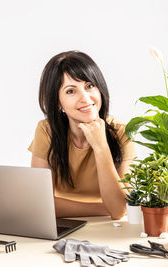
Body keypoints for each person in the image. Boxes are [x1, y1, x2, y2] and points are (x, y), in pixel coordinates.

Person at [28, 51, 136, 219]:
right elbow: (39, 204)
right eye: (71, 91)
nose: (85, 98)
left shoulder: (121, 132)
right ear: (58, 102)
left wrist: (101, 147)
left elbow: (118, 210)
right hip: (64, 224)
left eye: (89, 86)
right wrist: (102, 208)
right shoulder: (47, 131)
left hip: (109, 226)